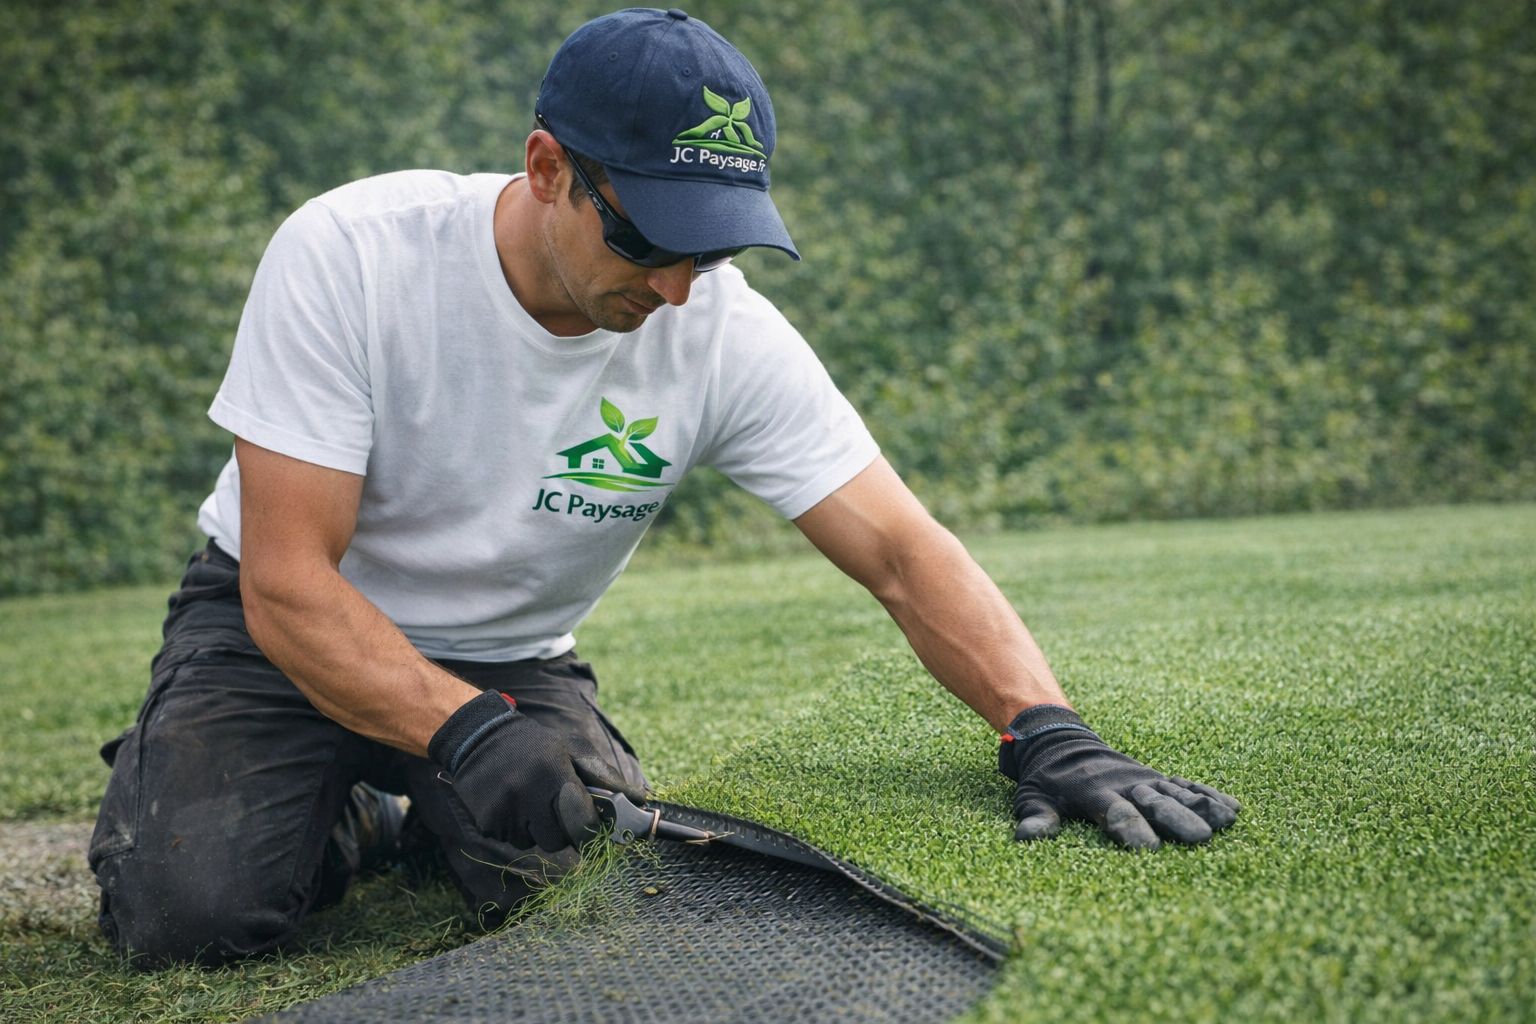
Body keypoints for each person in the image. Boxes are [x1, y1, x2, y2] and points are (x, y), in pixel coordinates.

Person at [89, 8, 1240, 968]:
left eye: (716, 250)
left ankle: (419, 797)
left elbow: (900, 546)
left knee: (579, 881)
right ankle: (342, 799)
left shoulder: (720, 333)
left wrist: (1046, 730)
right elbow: (288, 585)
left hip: (511, 659)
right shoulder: (351, 254)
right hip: (273, 639)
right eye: (652, 241)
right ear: (549, 169)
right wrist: (461, 734)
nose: (682, 290)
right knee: (189, 915)